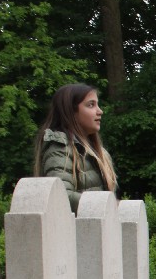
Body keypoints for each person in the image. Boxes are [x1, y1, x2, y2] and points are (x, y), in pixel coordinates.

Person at [34, 83, 117, 213]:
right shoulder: (60, 149)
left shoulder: (97, 152)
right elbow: (61, 197)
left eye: (97, 104)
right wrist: (105, 205)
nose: (100, 111)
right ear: (71, 111)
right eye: (91, 105)